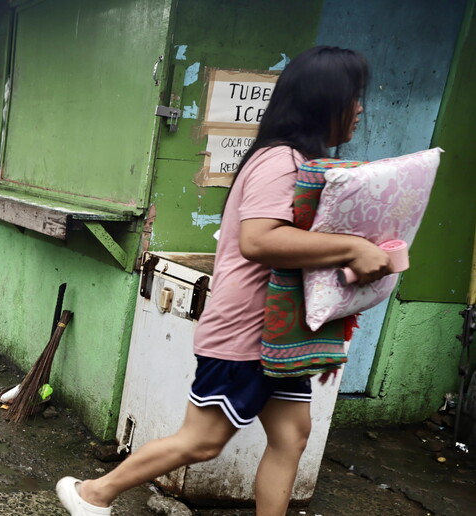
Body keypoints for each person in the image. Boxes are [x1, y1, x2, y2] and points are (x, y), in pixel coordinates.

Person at [56, 46, 393, 516]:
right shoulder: (279, 162)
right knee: (203, 441)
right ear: (322, 100)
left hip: (279, 335)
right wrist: (352, 248)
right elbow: (259, 239)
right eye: (353, 97)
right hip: (245, 334)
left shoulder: (304, 165)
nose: (360, 109)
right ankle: (92, 494)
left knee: (292, 436)